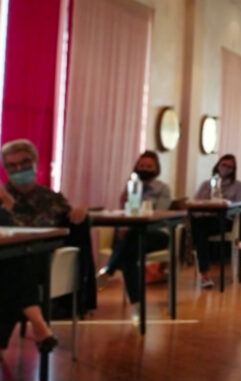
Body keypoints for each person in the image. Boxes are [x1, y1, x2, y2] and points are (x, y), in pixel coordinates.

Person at [0, 139, 87, 354]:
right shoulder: (2, 197)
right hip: (10, 260)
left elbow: (71, 227)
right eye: (12, 165)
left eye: (24, 163)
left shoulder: (52, 199)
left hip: (45, 264)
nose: (19, 169)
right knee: (11, 266)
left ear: (36, 163)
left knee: (13, 268)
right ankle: (39, 324)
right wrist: (6, 207)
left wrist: (79, 214)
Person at [98, 151, 172, 312]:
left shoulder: (163, 189)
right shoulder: (130, 186)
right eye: (141, 165)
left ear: (156, 169)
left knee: (130, 241)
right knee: (130, 253)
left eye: (149, 166)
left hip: (156, 234)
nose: (144, 169)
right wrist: (125, 198)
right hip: (130, 234)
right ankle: (137, 306)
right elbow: (124, 211)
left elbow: (159, 214)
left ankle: (109, 269)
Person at [191, 154, 241, 288]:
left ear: (233, 170)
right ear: (218, 165)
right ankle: (205, 272)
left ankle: (204, 270)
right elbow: (195, 202)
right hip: (204, 218)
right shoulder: (206, 184)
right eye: (223, 165)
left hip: (224, 220)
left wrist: (224, 202)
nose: (226, 168)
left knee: (199, 228)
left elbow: (240, 206)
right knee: (199, 225)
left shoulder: (237, 185)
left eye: (229, 167)